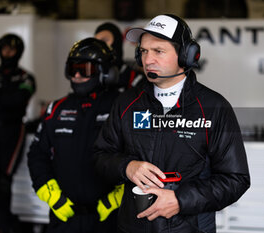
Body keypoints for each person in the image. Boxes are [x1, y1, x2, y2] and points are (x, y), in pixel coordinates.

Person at [93, 14, 250, 233]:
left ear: (186, 55)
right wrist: (127, 167)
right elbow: (100, 156)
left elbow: (236, 179)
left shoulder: (214, 108)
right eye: (144, 51)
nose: (148, 59)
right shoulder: (126, 103)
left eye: (158, 51)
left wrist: (180, 200)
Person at [27, 38, 123, 233]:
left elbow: (141, 155)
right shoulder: (56, 109)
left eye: (84, 69)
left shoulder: (121, 107)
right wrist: (53, 196)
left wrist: (119, 198)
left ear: (104, 72)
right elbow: (37, 155)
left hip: (109, 220)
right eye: (72, 69)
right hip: (64, 218)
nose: (77, 75)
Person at [0, 33, 36, 233]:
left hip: (12, 131)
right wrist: (2, 100)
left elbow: (17, 101)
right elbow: (7, 101)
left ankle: (3, 225)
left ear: (18, 52)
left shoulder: (26, 77)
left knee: (4, 180)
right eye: (4, 48)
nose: (7, 52)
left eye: (11, 49)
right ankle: (1, 221)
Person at [94, 22, 145, 91]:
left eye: (104, 40)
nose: (100, 46)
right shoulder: (91, 76)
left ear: (117, 42)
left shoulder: (135, 78)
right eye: (96, 42)